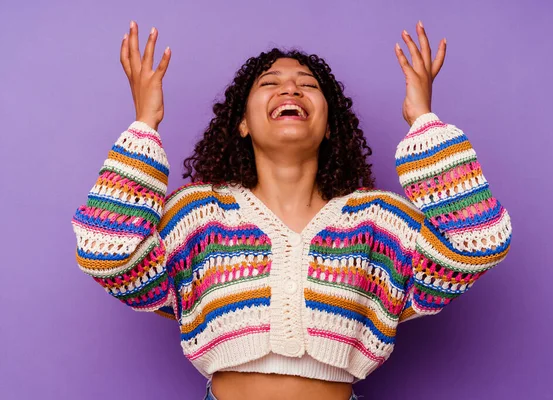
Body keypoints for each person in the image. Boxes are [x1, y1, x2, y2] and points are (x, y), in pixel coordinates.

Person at [71, 20, 512, 400]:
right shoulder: (198, 216)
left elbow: (476, 240)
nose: (290, 88)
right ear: (242, 123)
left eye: (308, 84)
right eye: (270, 82)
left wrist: (422, 120)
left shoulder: (379, 221)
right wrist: (146, 123)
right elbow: (109, 250)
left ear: (328, 126)